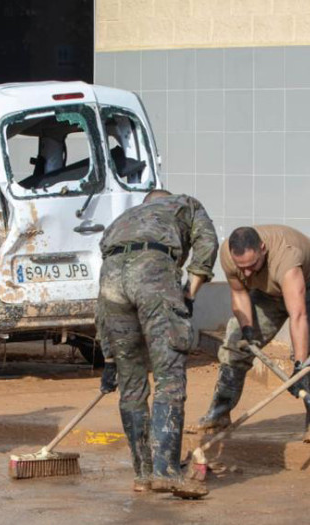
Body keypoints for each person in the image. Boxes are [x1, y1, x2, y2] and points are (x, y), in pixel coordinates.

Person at [95, 189, 218, 494]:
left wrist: (109, 358)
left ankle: (142, 475)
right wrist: (190, 292)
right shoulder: (186, 203)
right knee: (169, 376)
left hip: (110, 280)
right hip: (152, 272)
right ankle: (166, 471)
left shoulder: (125, 220)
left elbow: (101, 305)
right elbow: (208, 242)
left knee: (131, 383)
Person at [189, 225, 310, 444]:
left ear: (262, 249)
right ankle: (219, 414)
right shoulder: (229, 254)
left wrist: (299, 367)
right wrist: (247, 330)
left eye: (251, 266)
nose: (245, 273)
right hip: (264, 292)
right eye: (241, 267)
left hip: (307, 285)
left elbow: (298, 315)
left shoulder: (287, 259)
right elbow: (239, 292)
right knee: (234, 347)